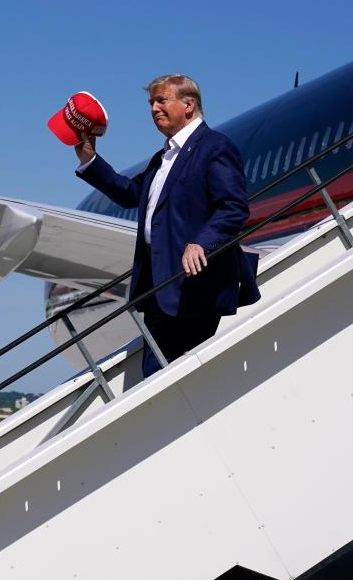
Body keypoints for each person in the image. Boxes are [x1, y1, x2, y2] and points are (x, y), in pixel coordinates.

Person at [74, 74, 260, 377]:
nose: (154, 109)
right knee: (155, 378)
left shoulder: (214, 147)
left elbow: (233, 207)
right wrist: (90, 160)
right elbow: (130, 194)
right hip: (160, 287)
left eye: (161, 100)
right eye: (151, 103)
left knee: (180, 382)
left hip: (193, 289)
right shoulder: (163, 158)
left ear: (188, 105)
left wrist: (202, 242)